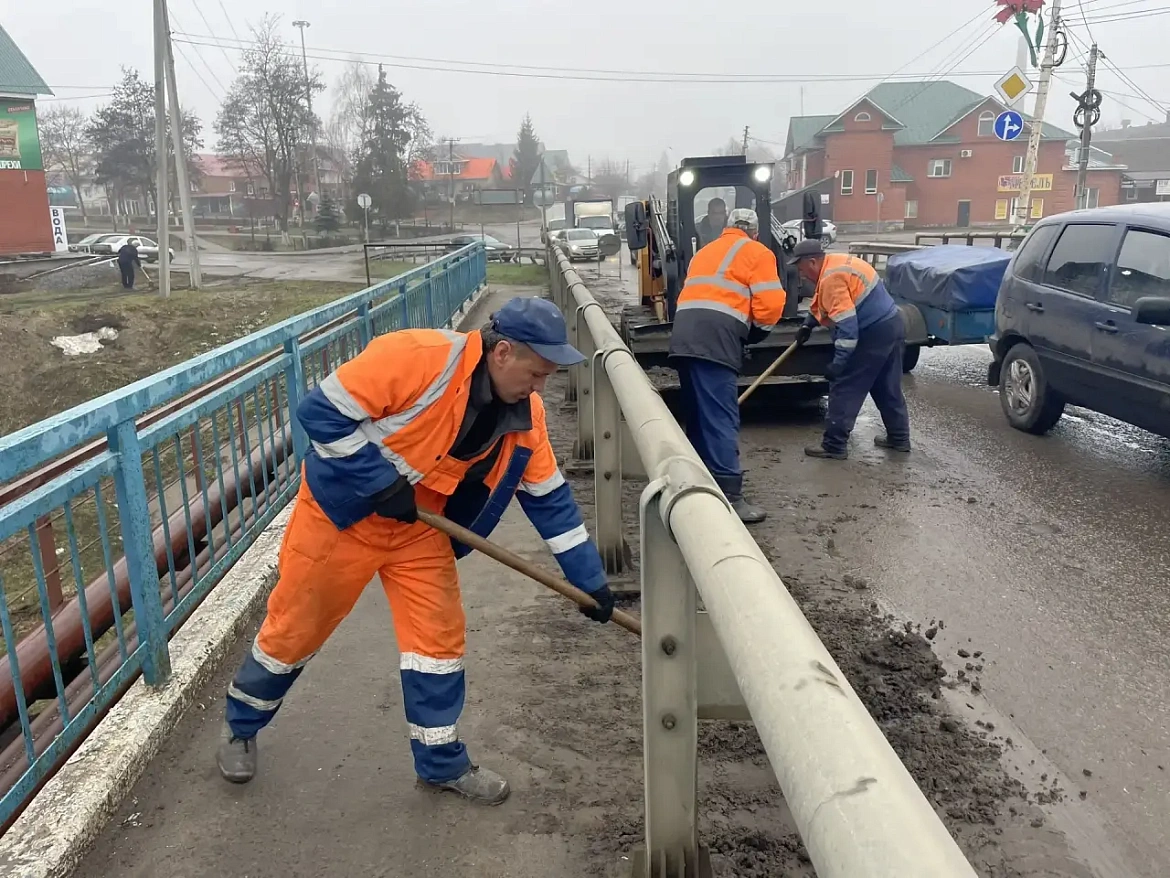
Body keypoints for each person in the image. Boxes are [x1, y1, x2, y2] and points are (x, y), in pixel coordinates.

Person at [216, 296, 615, 805]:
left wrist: (589, 582)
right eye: (536, 374)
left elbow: (550, 500)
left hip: (420, 530)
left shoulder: (525, 417)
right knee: (294, 630)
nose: (540, 389)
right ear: (503, 352)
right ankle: (240, 726)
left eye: (548, 378)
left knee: (438, 648)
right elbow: (318, 413)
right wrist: (379, 481)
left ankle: (441, 763)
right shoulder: (416, 358)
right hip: (343, 519)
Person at [668, 208, 787, 523]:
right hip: (716, 341)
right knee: (721, 417)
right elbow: (771, 305)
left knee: (698, 413)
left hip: (683, 336)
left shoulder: (704, 252)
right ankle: (730, 495)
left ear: (726, 228)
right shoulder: (757, 252)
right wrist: (755, 333)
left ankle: (698, 481)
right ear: (755, 232)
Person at [791, 240, 910, 460]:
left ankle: (834, 445)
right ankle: (899, 437)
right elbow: (824, 300)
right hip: (891, 324)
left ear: (813, 262)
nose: (801, 274)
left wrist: (839, 363)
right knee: (886, 385)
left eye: (801, 268)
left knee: (846, 386)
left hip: (871, 332)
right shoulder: (834, 264)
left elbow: (847, 326)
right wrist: (809, 323)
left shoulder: (830, 278)